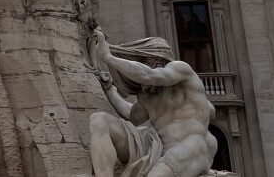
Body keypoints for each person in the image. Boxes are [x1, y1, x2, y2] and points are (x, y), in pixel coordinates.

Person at [88, 31, 216, 177]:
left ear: (157, 61)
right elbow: (132, 115)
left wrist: (109, 58)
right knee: (99, 120)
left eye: (142, 61)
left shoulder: (181, 70)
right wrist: (110, 89)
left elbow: (149, 75)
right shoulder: (147, 95)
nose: (137, 68)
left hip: (191, 147)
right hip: (156, 146)